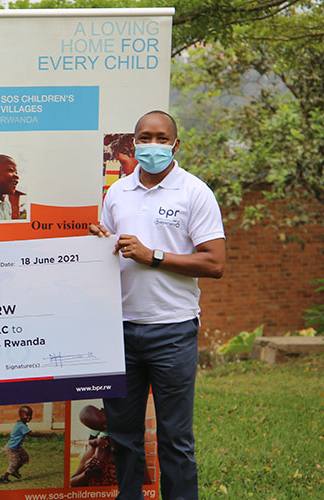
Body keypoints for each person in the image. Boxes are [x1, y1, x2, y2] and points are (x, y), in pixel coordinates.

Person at [89, 110, 225, 500]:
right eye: (145, 138)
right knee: (123, 436)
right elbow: (111, 252)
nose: (153, 145)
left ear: (175, 144)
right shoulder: (117, 193)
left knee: (175, 438)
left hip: (173, 331)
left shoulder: (195, 192)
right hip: (120, 331)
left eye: (161, 138)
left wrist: (154, 256)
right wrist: (99, 242)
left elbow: (214, 263)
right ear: (134, 144)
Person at [0, 405, 36, 484]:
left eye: (30, 415)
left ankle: (15, 471)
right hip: (12, 448)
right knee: (14, 464)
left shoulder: (21, 424)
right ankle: (3, 478)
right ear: (20, 415)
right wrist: (44, 435)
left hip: (17, 447)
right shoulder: (21, 426)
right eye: (26, 415)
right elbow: (31, 434)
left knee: (25, 457)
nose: (29, 417)